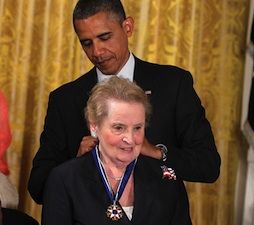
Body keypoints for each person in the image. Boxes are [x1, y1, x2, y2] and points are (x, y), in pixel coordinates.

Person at [28, 0, 221, 204]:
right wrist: (76, 163)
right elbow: (38, 188)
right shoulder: (65, 99)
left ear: (127, 27)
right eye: (86, 43)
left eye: (105, 37)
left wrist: (154, 151)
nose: (97, 52)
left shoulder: (173, 84)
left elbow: (208, 166)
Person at [41, 76, 192, 225]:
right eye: (119, 128)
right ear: (94, 126)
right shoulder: (65, 179)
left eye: (137, 128)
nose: (130, 139)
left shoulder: (167, 179)